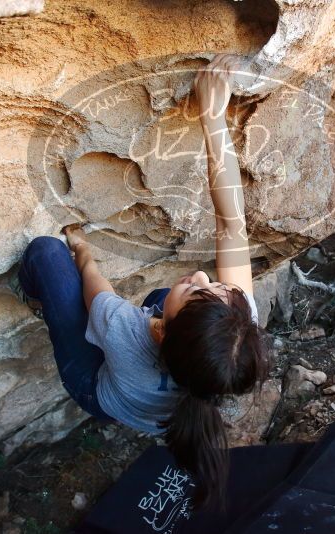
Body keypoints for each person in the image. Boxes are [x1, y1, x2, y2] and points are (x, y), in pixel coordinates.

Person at [13, 54, 269, 508]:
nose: (203, 275)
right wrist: (214, 115)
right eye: (215, 287)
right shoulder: (234, 325)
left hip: (98, 389)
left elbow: (97, 288)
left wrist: (81, 246)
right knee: (159, 296)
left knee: (46, 255)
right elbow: (232, 224)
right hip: (152, 393)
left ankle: (33, 293)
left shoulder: (129, 333)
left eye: (194, 288)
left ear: (161, 332)